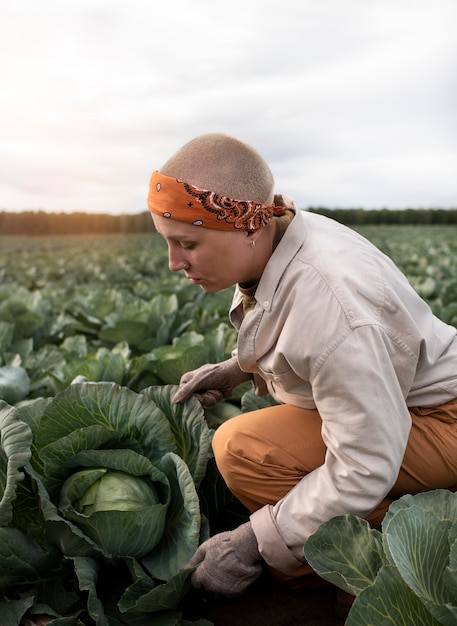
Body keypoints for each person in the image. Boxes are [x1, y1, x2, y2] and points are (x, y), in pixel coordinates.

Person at [147, 132, 457, 597]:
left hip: (444, 419)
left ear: (248, 228)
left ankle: (398, 558)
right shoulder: (279, 232)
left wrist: (253, 540)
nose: (174, 262)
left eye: (187, 243)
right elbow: (291, 325)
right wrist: (237, 368)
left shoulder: (334, 306)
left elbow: (366, 464)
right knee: (243, 444)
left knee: (245, 452)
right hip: (410, 401)